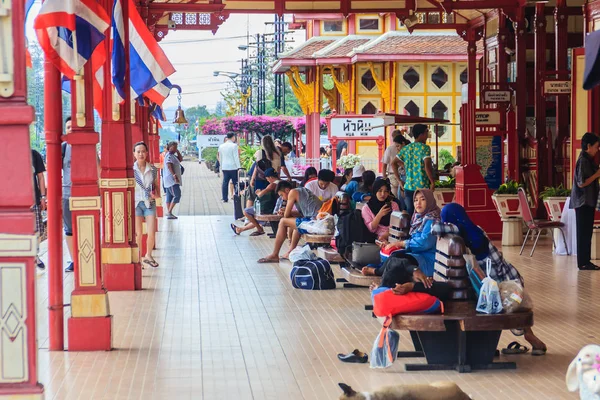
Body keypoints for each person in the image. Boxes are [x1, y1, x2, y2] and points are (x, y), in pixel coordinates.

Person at [432, 202, 547, 354]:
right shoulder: (475, 229)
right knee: (512, 303)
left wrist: (437, 221)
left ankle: (491, 344)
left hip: (487, 279)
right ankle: (528, 334)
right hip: (502, 272)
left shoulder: (456, 229)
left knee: (499, 304)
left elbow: (435, 229)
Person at [363, 189, 440, 277]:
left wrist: (400, 243)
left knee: (399, 259)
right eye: (415, 200)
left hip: (427, 260)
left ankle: (377, 271)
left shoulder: (432, 220)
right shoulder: (419, 218)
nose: (418, 203)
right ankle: (378, 270)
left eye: (423, 199)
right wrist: (394, 244)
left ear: (430, 201)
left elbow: (424, 243)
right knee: (396, 256)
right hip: (418, 255)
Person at [257, 181, 323, 263]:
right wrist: (287, 212)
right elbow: (299, 214)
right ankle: (290, 251)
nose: (283, 198)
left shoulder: (293, 192)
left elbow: (286, 216)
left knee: (282, 221)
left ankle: (274, 254)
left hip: (315, 223)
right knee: (297, 222)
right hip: (317, 222)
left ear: (287, 190)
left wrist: (285, 211)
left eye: (282, 195)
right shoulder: (301, 191)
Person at [570, 132, 600, 270]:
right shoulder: (583, 160)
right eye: (596, 147)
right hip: (583, 201)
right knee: (583, 233)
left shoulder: (588, 160)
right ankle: (583, 262)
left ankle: (586, 261)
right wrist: (597, 175)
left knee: (587, 232)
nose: (597, 149)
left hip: (588, 201)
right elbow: (581, 183)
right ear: (588, 146)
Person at [392, 124, 435, 215]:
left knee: (411, 213)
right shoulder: (425, 148)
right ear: (421, 134)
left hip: (408, 187)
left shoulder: (406, 148)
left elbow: (393, 163)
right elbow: (427, 167)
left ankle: (411, 229)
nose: (428, 135)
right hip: (422, 187)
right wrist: (432, 182)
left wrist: (400, 181)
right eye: (427, 132)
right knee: (423, 212)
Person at [133, 142, 159, 268]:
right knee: (138, 233)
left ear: (147, 153)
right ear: (134, 154)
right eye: (138, 151)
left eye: (143, 151)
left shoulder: (153, 169)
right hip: (136, 203)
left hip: (150, 203)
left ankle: (148, 255)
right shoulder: (131, 170)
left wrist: (156, 195)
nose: (141, 154)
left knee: (151, 231)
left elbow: (157, 186)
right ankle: (138, 258)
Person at [232, 168, 279, 236]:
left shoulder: (272, 185)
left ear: (271, 177)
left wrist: (259, 192)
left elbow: (260, 194)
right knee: (256, 220)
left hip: (269, 207)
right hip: (273, 206)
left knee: (246, 211)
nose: (267, 180)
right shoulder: (281, 182)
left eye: (267, 179)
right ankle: (240, 229)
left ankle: (259, 229)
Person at [61, 117, 75, 272]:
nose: (70, 129)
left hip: (85, 194)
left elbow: (98, 168)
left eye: (72, 127)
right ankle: (73, 260)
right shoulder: (63, 148)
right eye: (68, 127)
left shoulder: (87, 147)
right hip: (66, 193)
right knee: (69, 229)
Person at [32, 149, 47, 269]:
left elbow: (40, 177)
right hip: (15, 199)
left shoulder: (34, 154)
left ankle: (35, 255)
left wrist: (43, 197)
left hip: (33, 198)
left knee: (36, 230)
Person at [384, 134, 410, 199]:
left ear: (403, 143)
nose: (397, 148)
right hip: (401, 177)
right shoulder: (401, 153)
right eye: (396, 146)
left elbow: (407, 168)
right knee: (401, 198)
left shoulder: (408, 153)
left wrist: (400, 163)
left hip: (407, 177)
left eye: (398, 146)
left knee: (404, 199)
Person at [218, 133, 241, 203]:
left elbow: (220, 157)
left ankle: (225, 198)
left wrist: (221, 166)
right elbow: (236, 157)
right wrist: (239, 167)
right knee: (235, 182)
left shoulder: (221, 146)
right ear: (233, 137)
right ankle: (237, 196)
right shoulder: (234, 146)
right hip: (233, 167)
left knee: (225, 182)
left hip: (225, 167)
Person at [163, 141, 183, 219]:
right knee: (177, 195)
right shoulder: (169, 156)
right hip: (171, 179)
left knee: (169, 196)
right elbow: (169, 165)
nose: (175, 149)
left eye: (176, 147)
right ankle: (169, 212)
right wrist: (174, 175)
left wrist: (177, 151)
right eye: (174, 147)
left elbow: (180, 159)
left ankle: (169, 213)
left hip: (170, 179)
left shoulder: (172, 155)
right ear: (169, 147)